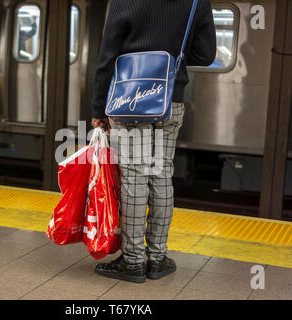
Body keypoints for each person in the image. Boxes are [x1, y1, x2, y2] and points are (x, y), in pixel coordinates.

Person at [91, 0, 216, 283]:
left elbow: (107, 56)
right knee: (161, 175)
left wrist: (99, 108)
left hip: (131, 99)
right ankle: (157, 259)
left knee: (134, 178)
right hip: (171, 100)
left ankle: (133, 261)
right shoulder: (197, 1)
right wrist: (173, 57)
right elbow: (206, 54)